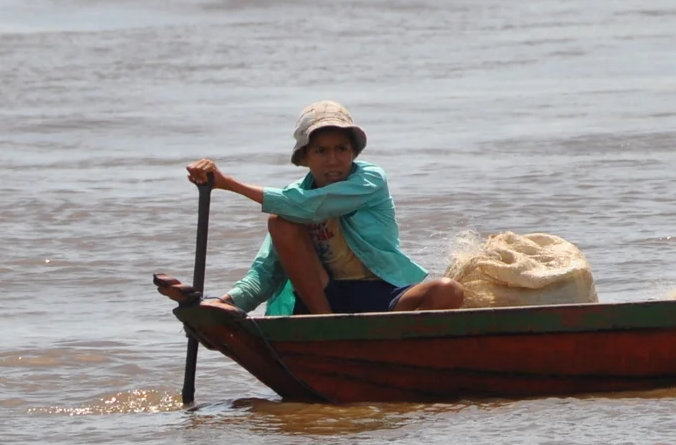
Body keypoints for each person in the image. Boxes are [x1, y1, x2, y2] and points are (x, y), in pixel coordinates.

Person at [153, 100, 466, 316]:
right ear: (305, 158)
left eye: (341, 149)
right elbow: (266, 270)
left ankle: (396, 348)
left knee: (447, 291)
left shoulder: (370, 179)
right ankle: (323, 325)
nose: (333, 160)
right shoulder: (292, 199)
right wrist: (224, 304)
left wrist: (228, 184)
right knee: (282, 222)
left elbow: (311, 207)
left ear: (353, 152)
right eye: (321, 151)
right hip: (324, 300)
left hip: (381, 292)